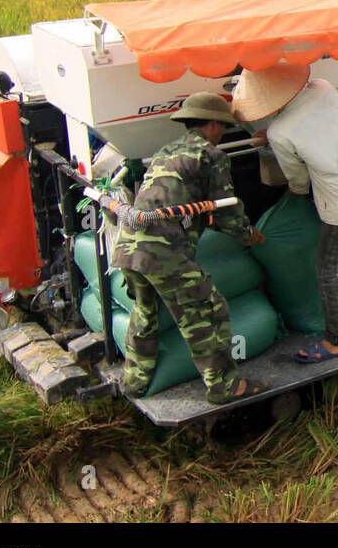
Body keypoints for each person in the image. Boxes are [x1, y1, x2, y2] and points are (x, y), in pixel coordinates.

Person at [111, 92, 269, 404]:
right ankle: (224, 385)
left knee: (146, 312)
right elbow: (226, 210)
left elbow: (184, 203)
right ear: (212, 125)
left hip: (129, 245)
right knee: (208, 309)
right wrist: (249, 234)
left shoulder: (166, 151)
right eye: (222, 127)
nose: (221, 133)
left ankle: (134, 382)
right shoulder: (211, 156)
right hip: (162, 251)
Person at [232, 63, 338, 363]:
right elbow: (323, 129)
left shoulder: (280, 131)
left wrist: (274, 143)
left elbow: (298, 182)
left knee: (328, 269)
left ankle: (336, 340)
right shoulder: (323, 88)